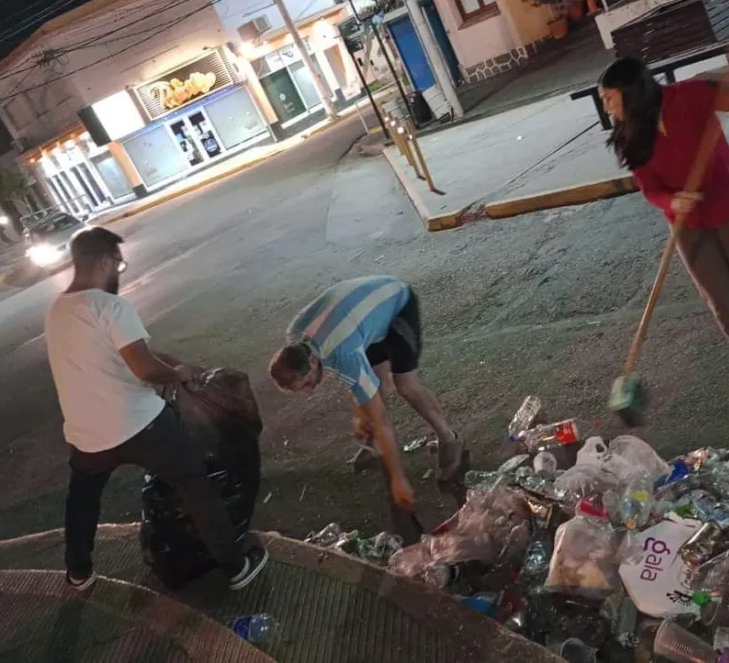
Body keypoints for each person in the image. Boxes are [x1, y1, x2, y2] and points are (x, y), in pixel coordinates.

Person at [45, 226, 267, 591]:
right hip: (140, 425)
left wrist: (176, 364)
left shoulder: (58, 311)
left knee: (83, 499)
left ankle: (78, 572)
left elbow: (134, 352)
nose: (119, 270)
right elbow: (145, 368)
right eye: (118, 263)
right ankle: (236, 566)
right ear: (103, 261)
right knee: (195, 483)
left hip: (87, 434)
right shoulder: (110, 307)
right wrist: (177, 373)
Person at [598, 44, 729, 410]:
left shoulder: (689, 96)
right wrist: (672, 201)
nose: (607, 107)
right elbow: (650, 188)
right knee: (720, 300)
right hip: (688, 223)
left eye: (610, 98)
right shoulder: (631, 134)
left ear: (631, 92)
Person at [268, 276, 464, 534]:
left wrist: (397, 479)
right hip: (361, 317)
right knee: (374, 386)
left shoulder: (342, 353)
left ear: (313, 362)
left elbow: (381, 418)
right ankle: (373, 446)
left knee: (405, 384)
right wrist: (361, 416)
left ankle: (449, 439)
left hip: (395, 305)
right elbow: (355, 384)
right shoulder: (297, 338)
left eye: (305, 384)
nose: (307, 392)